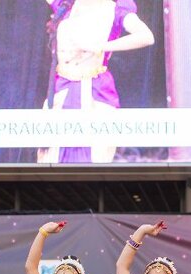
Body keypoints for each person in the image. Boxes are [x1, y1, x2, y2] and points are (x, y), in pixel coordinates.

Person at [37, 0, 154, 163]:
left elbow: (146, 37)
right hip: (61, 91)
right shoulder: (67, 4)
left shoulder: (116, 10)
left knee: (93, 158)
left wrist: (101, 46)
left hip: (95, 92)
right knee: (52, 160)